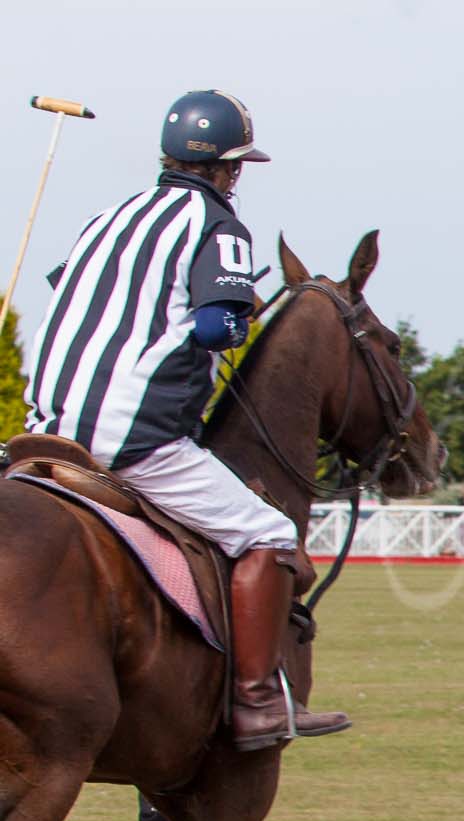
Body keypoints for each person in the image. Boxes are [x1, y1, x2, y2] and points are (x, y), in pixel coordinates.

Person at [22, 89, 345, 751]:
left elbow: (72, 288)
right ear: (231, 168)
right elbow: (216, 324)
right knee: (269, 532)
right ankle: (256, 702)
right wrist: (241, 311)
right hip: (132, 438)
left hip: (46, 428)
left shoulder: (110, 216)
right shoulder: (218, 223)